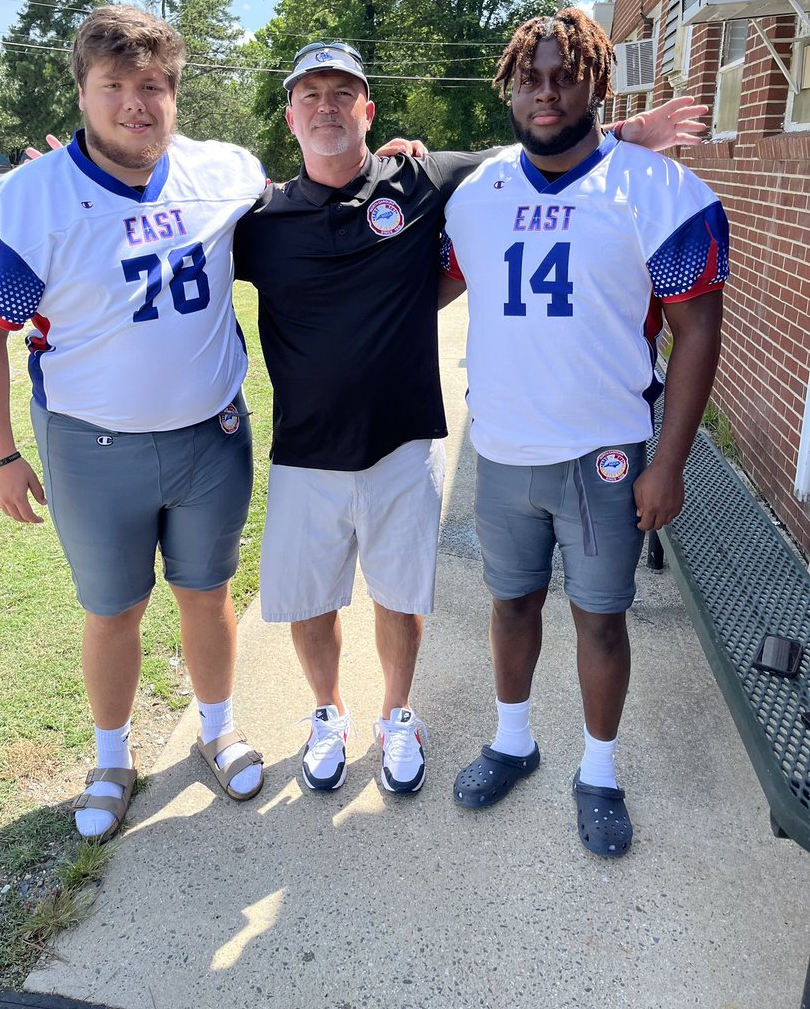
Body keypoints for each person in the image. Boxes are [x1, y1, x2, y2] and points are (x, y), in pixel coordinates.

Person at [233, 40, 709, 797]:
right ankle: (334, 713)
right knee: (317, 599)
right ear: (289, 114)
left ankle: (415, 720)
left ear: (368, 108)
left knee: (417, 598)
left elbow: (539, 137)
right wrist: (104, 174)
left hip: (416, 441)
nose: (326, 107)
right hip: (311, 447)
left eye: (342, 93)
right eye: (310, 95)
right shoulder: (258, 218)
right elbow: (166, 255)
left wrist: (629, 135)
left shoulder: (426, 181)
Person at [0, 5, 267, 843]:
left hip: (212, 435)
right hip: (90, 443)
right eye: (116, 86)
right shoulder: (27, 200)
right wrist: (0, 456)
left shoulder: (226, 172)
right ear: (84, 92)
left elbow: (317, 198)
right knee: (113, 610)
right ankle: (110, 756)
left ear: (176, 93)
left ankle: (216, 728)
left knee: (207, 594)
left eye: (154, 86)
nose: (137, 103)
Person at [441, 8, 729, 855]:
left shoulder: (656, 189)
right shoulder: (480, 193)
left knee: (601, 618)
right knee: (511, 604)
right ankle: (514, 740)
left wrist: (668, 461)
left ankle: (598, 769)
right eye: (531, 77)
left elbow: (697, 330)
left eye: (565, 74)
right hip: (501, 448)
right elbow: (434, 286)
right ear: (510, 84)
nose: (547, 90)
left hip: (603, 450)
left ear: (596, 81)